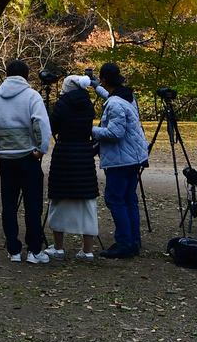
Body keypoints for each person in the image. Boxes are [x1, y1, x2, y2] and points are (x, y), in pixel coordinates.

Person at [0, 59, 53, 263]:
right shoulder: (32, 96)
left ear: (6, 76)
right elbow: (41, 123)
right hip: (28, 157)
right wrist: (42, 148)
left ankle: (13, 250)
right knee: (33, 205)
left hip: (6, 159)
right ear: (27, 77)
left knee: (9, 205)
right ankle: (34, 250)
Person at [92, 62, 149, 259]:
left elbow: (114, 133)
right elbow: (109, 95)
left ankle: (124, 243)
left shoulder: (115, 103)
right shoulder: (127, 96)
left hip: (121, 159)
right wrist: (95, 86)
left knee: (115, 199)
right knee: (129, 199)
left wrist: (90, 129)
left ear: (104, 80)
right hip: (133, 157)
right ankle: (133, 240)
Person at [46, 75, 99, 260]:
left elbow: (51, 129)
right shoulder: (89, 105)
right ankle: (88, 250)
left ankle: (59, 248)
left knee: (59, 198)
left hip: (64, 155)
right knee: (87, 201)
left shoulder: (61, 105)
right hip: (84, 154)